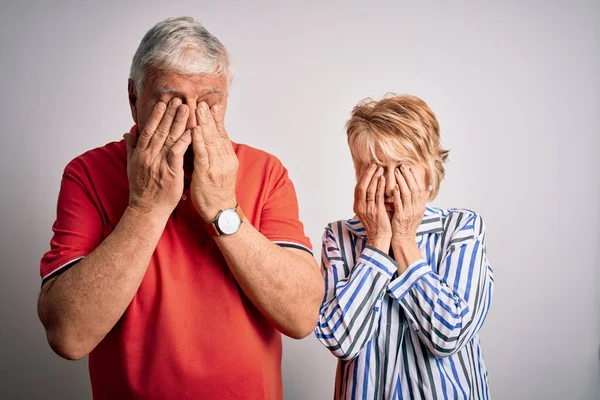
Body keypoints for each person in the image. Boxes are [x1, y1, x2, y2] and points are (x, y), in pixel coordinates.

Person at [37, 16, 323, 400]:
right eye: (171, 101)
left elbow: (302, 316)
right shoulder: (87, 174)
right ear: (134, 97)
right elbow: (68, 337)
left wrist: (223, 208)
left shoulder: (265, 171)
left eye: (207, 103)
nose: (189, 120)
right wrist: (146, 207)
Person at [315, 94, 494, 399]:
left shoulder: (461, 228)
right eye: (373, 167)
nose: (387, 185)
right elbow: (340, 341)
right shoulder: (338, 236)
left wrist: (404, 241)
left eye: (401, 167)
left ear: (429, 169)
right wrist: (376, 244)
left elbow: (448, 335)